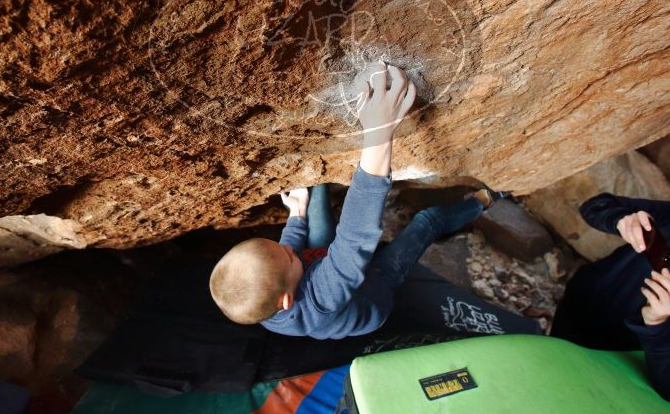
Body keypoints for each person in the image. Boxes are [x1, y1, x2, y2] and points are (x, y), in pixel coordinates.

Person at [209, 63, 507, 340]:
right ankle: (485, 200)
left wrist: (297, 215)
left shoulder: (266, 299)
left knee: (316, 191)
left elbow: (288, 253)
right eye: (287, 255)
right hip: (373, 290)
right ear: (286, 301)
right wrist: (378, 133)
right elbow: (353, 239)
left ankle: (312, 204)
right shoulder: (320, 300)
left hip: (317, 264)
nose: (289, 248)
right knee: (428, 220)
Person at [551, 193, 670, 408]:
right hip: (581, 308)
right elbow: (595, 205)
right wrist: (620, 219)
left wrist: (657, 325)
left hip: (616, 364)